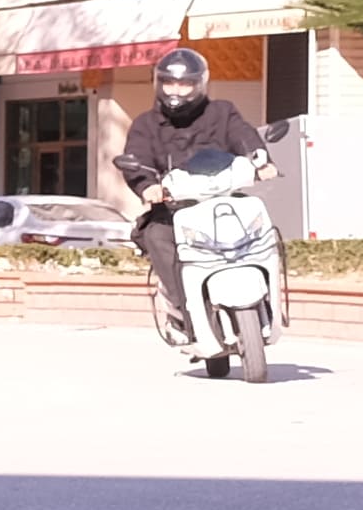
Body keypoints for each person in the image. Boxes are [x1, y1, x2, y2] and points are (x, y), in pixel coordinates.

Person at [114, 46, 273, 328]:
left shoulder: (222, 112)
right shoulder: (145, 124)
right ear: (158, 83)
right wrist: (147, 186)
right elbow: (137, 157)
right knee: (156, 235)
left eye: (185, 84)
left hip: (223, 201)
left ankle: (265, 295)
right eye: (169, 83)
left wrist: (260, 159)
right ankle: (183, 310)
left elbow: (243, 135)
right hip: (174, 209)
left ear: (199, 83)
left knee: (259, 223)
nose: (176, 90)